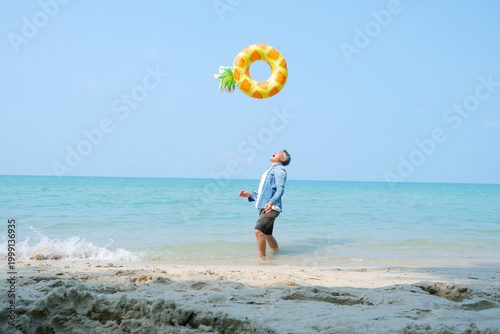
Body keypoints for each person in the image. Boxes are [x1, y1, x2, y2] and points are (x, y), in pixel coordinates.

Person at [239, 150, 291, 259]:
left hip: (272, 207)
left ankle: (262, 258)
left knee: (258, 231)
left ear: (283, 159)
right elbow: (264, 192)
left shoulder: (279, 171)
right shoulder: (269, 170)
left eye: (279, 152)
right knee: (267, 235)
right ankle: (277, 254)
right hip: (265, 206)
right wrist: (249, 194)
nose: (275, 152)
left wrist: (271, 202)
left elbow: (280, 190)